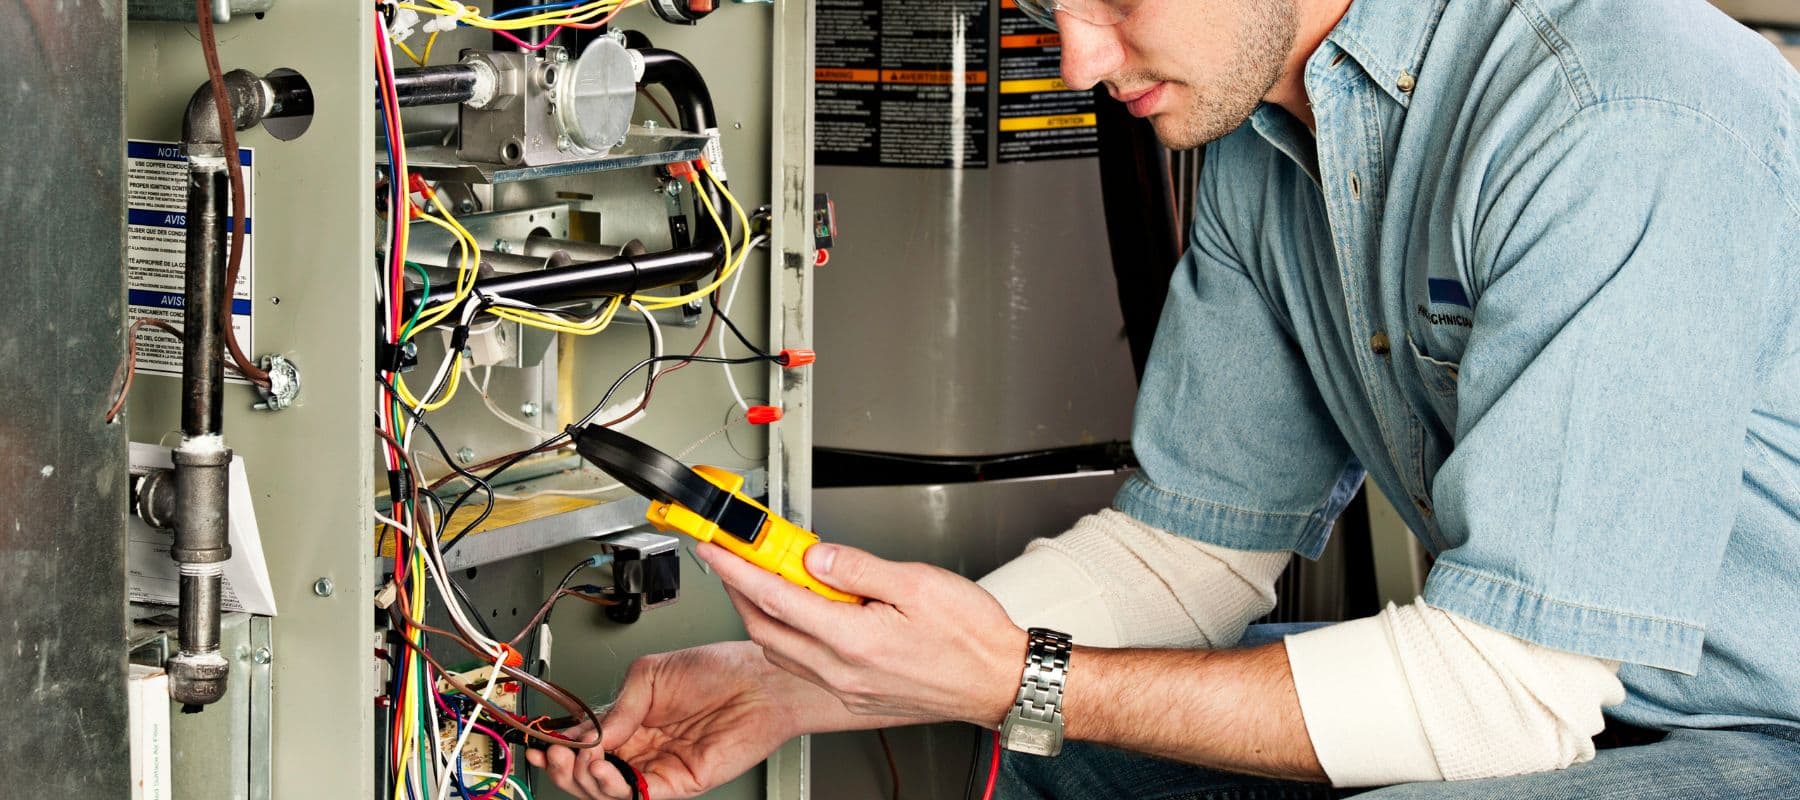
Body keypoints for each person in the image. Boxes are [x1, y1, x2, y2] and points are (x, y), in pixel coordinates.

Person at [528, 0, 1800, 796]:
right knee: (1067, 749)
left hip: (1763, 724)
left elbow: (1515, 690)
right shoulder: (1267, 138)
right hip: (1605, 699)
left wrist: (1014, 673)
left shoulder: (1614, 113)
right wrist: (797, 682)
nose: (1080, 58)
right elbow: (1194, 550)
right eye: (1049, 5)